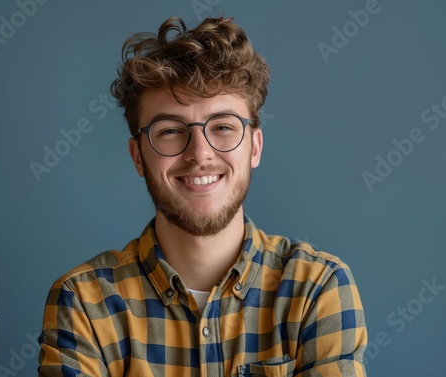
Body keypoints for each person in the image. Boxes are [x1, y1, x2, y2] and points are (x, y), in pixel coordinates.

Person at [38, 16, 368, 376]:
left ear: (254, 148)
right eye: (170, 131)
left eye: (223, 127)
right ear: (138, 157)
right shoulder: (84, 303)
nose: (200, 153)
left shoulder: (317, 289)